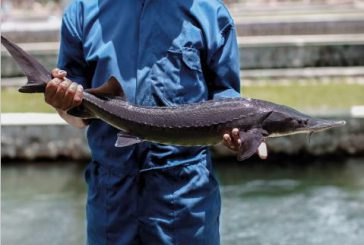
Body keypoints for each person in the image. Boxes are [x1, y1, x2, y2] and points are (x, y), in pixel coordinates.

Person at [45, 0, 264, 244]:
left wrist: (244, 134)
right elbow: (78, 118)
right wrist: (62, 103)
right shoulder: (82, 12)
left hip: (186, 201)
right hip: (111, 202)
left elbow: (227, 100)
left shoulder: (211, 14)